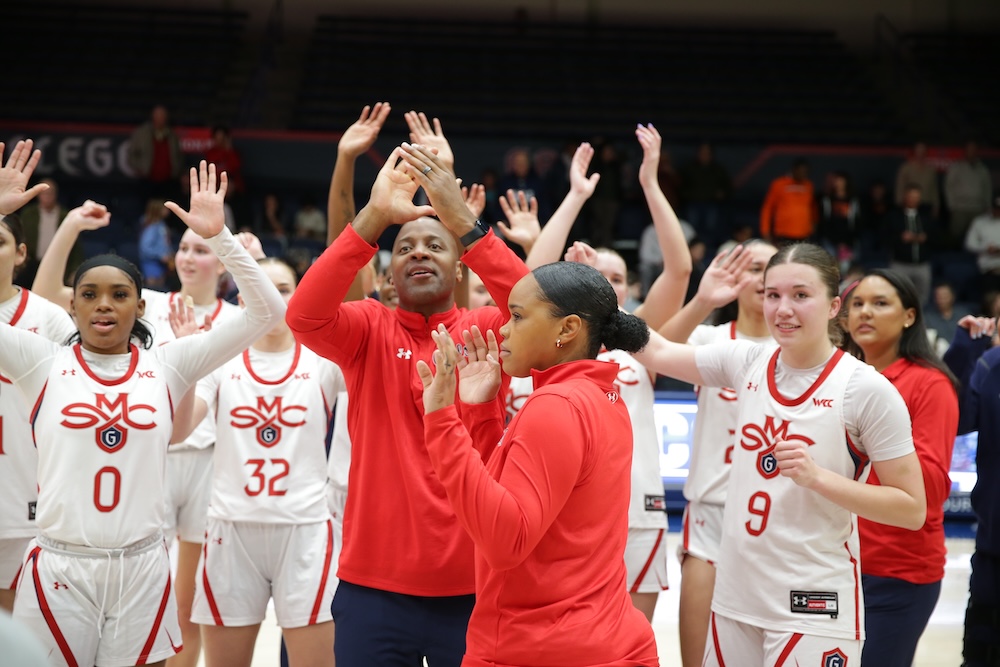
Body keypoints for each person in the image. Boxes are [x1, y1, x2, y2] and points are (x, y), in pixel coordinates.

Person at [5, 156, 285, 667]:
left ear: (141, 306)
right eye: (88, 294)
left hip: (142, 568)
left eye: (119, 295)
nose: (103, 305)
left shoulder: (171, 363)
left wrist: (222, 236)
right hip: (60, 566)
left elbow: (269, 311)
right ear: (73, 307)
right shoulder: (40, 361)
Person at [286, 142, 530, 666]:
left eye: (435, 245)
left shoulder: (488, 331)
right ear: (387, 277)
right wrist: (374, 217)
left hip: (474, 586)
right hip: (373, 589)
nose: (418, 251)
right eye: (404, 247)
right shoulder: (367, 327)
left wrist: (464, 222)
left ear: (462, 269)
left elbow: (541, 308)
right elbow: (303, 317)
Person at [632, 242, 926, 665]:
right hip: (735, 599)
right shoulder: (747, 358)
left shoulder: (866, 389)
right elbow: (656, 352)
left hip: (812, 603)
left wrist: (818, 478)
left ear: (833, 306)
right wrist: (598, 303)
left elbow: (912, 508)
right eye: (773, 295)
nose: (783, 309)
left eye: (801, 295)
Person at [416, 261, 658, 666]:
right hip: (606, 638)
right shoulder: (603, 397)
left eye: (518, 315)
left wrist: (442, 420)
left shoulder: (555, 404)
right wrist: (478, 413)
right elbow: (513, 493)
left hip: (540, 647)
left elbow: (504, 541)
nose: (503, 329)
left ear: (567, 329)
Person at [520, 124, 693, 622]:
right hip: (561, 514)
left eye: (615, 278)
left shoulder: (642, 342)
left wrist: (650, 184)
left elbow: (679, 271)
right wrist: (575, 197)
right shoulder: (551, 343)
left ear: (632, 290)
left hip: (638, 512)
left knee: (627, 640)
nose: (605, 283)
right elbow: (528, 280)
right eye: (594, 276)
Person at [170, 257, 343, 667]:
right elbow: (178, 432)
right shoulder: (221, 359)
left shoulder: (323, 361)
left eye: (283, 288)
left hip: (304, 532)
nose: (273, 297)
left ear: (299, 294)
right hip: (231, 531)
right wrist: (187, 361)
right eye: (260, 287)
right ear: (243, 296)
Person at [656, 239, 777, 667]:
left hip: (774, 519)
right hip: (710, 513)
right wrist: (704, 299)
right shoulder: (711, 337)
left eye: (769, 268)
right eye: (751, 267)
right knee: (698, 656)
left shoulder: (798, 350)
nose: (761, 279)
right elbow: (648, 354)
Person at [840, 269, 959, 667]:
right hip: (836, 563)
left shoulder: (930, 385)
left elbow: (926, 489)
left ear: (909, 316)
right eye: (856, 304)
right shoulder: (841, 379)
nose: (865, 313)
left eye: (879, 303)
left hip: (897, 573)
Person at [0, 207, 76, 614]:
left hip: (26, 496)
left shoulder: (50, 319)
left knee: (17, 632)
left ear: (21, 253)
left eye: (0, 242)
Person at [942, 316, 1000, 666]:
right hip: (995, 548)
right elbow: (955, 420)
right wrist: (966, 350)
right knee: (983, 651)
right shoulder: (991, 365)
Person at [16, 177, 83, 287]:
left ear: (55, 194)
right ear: (38, 195)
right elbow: (20, 238)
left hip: (58, 265)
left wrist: (74, 270)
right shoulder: (28, 214)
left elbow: (75, 246)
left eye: (50, 193)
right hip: (31, 264)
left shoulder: (65, 215)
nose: (47, 196)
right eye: (44, 193)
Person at [887, 184, 935, 307]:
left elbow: (937, 237)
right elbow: (884, 237)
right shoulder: (894, 216)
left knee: (922, 298)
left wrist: (925, 238)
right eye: (911, 196)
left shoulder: (926, 217)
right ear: (905, 197)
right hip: (900, 263)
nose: (913, 200)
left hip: (922, 264)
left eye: (916, 197)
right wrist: (900, 238)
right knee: (896, 295)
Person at [680, 141, 731, 250]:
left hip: (711, 203)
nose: (704, 155)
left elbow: (727, 187)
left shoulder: (717, 169)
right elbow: (681, 186)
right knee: (691, 230)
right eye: (702, 152)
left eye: (707, 152)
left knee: (711, 229)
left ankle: (708, 251)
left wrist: (722, 193)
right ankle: (692, 251)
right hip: (693, 203)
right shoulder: (690, 168)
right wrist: (689, 195)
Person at [127, 104, 184, 201]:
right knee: (147, 209)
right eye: (158, 115)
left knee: (168, 209)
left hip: (169, 181)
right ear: (153, 116)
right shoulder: (142, 133)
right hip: (148, 180)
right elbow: (131, 155)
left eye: (163, 115)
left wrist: (177, 170)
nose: (160, 118)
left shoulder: (172, 135)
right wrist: (140, 168)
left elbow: (179, 155)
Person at [946, 141, 992, 248]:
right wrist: (951, 204)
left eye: (974, 149)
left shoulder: (982, 169)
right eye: (969, 149)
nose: (971, 152)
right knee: (955, 236)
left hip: (978, 208)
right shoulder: (957, 167)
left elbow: (987, 188)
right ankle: (954, 259)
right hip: (960, 208)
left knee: (977, 236)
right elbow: (948, 186)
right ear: (965, 151)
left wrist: (988, 206)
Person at [759, 159, 817, 246]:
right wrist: (765, 230)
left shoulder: (809, 185)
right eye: (801, 171)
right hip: (783, 233)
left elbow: (813, 207)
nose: (803, 174)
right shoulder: (779, 184)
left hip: (804, 234)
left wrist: (814, 224)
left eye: (806, 172)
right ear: (794, 169)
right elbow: (768, 208)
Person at [964, 195, 1000, 298]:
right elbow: (969, 244)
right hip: (988, 271)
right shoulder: (980, 222)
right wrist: (986, 248)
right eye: (996, 209)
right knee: (989, 303)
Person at [895, 141, 940, 219]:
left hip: (926, 204)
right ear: (914, 151)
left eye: (923, 150)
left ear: (926, 152)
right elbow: (900, 187)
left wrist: (936, 206)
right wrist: (899, 204)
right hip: (910, 205)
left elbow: (934, 189)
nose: (921, 153)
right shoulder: (906, 168)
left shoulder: (931, 170)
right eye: (918, 150)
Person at [139, 198, 173, 290]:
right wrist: (160, 255)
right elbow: (145, 247)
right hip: (152, 263)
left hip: (161, 264)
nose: (167, 211)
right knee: (153, 288)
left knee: (161, 289)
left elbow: (165, 243)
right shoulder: (151, 226)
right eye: (164, 208)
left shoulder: (161, 224)